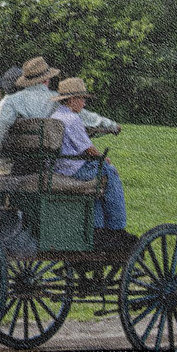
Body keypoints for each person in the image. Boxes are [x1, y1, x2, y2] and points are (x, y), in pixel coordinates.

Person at [50, 77, 138, 251]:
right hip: (74, 169)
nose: (84, 103)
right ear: (72, 100)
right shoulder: (72, 119)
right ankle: (117, 227)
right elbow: (88, 149)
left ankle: (97, 229)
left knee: (97, 185)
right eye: (82, 99)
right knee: (109, 173)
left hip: (60, 168)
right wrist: (104, 160)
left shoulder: (55, 116)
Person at [0, 56, 62, 180]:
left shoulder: (14, 100)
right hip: (49, 163)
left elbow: (1, 128)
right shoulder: (57, 100)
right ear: (46, 80)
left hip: (21, 161)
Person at [0, 64, 122, 137]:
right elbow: (86, 117)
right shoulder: (52, 101)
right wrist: (111, 125)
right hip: (37, 161)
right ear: (46, 80)